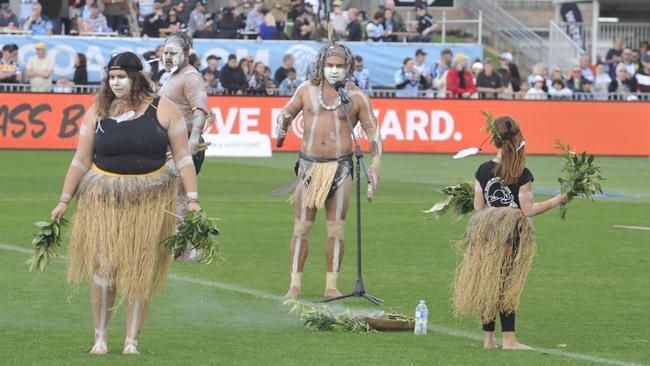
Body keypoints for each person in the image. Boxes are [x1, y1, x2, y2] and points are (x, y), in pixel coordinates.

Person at [50, 51, 201, 355]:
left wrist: (194, 199)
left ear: (136, 78)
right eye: (112, 76)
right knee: (104, 265)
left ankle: (132, 341)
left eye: (122, 76)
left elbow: (184, 158)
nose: (116, 82)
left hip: (150, 199)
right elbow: (81, 160)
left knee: (140, 267)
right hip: (105, 197)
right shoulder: (98, 110)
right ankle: (100, 338)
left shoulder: (164, 109)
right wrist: (64, 200)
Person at [275, 42, 382, 300]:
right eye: (330, 66)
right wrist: (282, 128)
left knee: (336, 230)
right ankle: (294, 285)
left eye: (339, 66)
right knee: (301, 228)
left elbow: (373, 133)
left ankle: (331, 285)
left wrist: (376, 165)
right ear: (321, 65)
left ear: (349, 68)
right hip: (309, 167)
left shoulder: (355, 97)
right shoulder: (306, 90)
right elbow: (285, 112)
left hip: (341, 168)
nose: (334, 71)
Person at [453, 115, 569, 350]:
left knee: (487, 281)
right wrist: (559, 199)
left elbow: (478, 207)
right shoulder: (521, 172)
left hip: (485, 234)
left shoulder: (481, 170)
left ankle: (488, 340)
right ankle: (509, 340)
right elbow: (527, 210)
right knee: (506, 284)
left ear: (494, 140)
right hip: (510, 236)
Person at [157, 32, 211, 261]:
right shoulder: (173, 76)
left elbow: (200, 111)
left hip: (184, 145)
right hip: (171, 144)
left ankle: (188, 246)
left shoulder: (190, 77)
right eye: (165, 53)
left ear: (186, 54)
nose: (167, 58)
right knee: (176, 196)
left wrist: (191, 142)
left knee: (180, 196)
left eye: (172, 53)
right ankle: (185, 246)